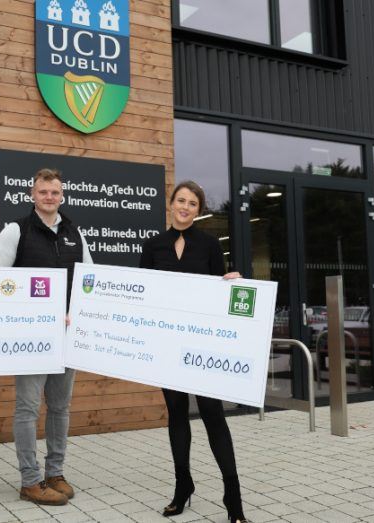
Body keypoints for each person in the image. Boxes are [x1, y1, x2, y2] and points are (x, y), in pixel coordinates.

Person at [139, 181, 247, 522]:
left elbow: (218, 291)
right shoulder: (152, 245)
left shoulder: (211, 244)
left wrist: (232, 284)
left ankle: (234, 499)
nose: (185, 206)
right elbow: (142, 295)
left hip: (202, 345)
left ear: (198, 210)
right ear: (171, 204)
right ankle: (182, 486)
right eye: (180, 200)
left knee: (214, 416)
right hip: (167, 345)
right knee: (176, 414)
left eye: (192, 203)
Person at [0, 168, 93, 506]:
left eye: (55, 192)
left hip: (66, 336)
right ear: (32, 195)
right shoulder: (15, 232)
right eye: (43, 192)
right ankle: (30, 479)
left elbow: (88, 283)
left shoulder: (76, 234)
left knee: (60, 407)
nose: (49, 197)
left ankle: (55, 472)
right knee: (27, 408)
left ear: (62, 196)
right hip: (31, 337)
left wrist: (79, 314)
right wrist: (37, 314)